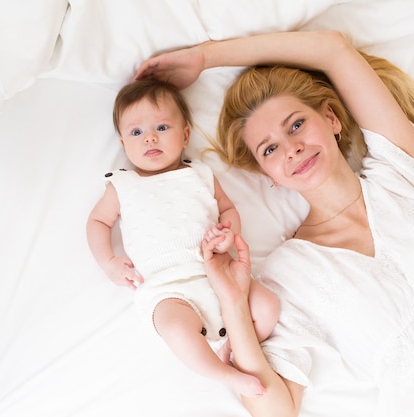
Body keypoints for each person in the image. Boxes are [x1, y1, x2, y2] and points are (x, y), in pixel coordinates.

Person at [135, 31, 414, 416]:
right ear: (265, 174)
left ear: (330, 118)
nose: (290, 149)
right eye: (269, 150)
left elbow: (333, 49)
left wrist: (206, 56)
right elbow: (274, 409)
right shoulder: (289, 274)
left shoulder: (405, 176)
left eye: (296, 125)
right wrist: (234, 303)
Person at [86, 79, 280, 398]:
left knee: (267, 305)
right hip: (168, 289)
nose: (149, 137)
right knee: (176, 330)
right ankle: (225, 375)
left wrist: (229, 232)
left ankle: (234, 344)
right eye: (136, 132)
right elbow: (97, 222)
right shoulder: (123, 186)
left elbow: (228, 209)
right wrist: (108, 262)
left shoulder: (201, 174)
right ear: (123, 143)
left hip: (220, 273)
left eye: (162, 127)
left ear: (185, 135)